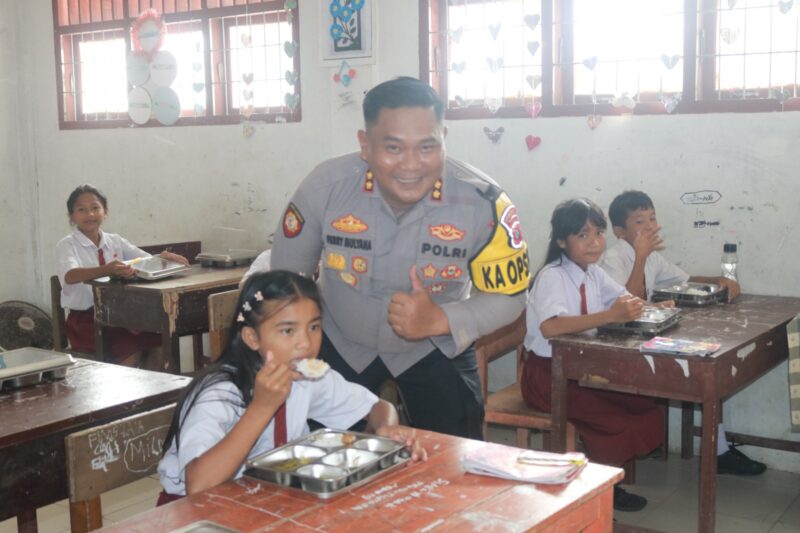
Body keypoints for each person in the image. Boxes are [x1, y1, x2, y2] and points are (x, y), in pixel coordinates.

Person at [269, 77, 529, 439]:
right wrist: (299, 345)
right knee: (316, 450)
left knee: (457, 454)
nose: (411, 165)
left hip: (435, 347)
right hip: (340, 342)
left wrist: (441, 319)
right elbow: (284, 280)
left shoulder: (483, 203)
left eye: (427, 147)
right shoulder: (325, 188)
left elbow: (511, 297)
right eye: (393, 148)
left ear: (444, 138)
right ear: (365, 145)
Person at [157, 271, 425, 501]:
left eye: (314, 327)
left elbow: (379, 407)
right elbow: (198, 485)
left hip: (265, 500)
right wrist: (262, 407)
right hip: (194, 512)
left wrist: (386, 429)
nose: (306, 343)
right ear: (252, 337)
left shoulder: (307, 378)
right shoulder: (220, 392)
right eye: (288, 331)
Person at [600, 190, 764, 476]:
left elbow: (685, 279)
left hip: (644, 341)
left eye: (652, 218)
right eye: (640, 221)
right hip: (618, 350)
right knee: (705, 376)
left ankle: (718, 449)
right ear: (619, 231)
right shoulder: (613, 260)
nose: (650, 226)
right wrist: (640, 258)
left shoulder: (652, 257)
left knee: (711, 362)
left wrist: (720, 280)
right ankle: (717, 451)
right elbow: (626, 304)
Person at [520, 198, 664, 512]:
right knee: (615, 419)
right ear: (562, 241)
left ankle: (605, 476)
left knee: (643, 404)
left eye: (599, 233)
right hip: (547, 376)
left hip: (579, 370)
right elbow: (551, 327)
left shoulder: (593, 272)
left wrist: (652, 308)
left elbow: (625, 299)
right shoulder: (553, 275)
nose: (594, 242)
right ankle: (602, 489)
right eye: (583, 235)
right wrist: (610, 316)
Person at [55, 184, 188, 369]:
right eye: (81, 209)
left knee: (159, 342)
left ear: (105, 212)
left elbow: (143, 260)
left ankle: (148, 387)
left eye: (95, 208)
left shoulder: (115, 241)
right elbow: (70, 275)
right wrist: (106, 269)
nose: (90, 214)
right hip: (85, 321)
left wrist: (163, 258)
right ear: (71, 216)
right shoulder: (67, 245)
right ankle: (123, 388)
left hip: (120, 317)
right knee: (130, 350)